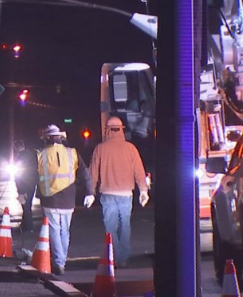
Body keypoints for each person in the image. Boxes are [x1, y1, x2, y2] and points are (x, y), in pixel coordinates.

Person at [23, 124, 94, 275]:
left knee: (54, 230)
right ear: (61, 138)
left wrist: (23, 193)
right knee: (64, 230)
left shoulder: (40, 154)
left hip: (50, 199)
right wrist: (89, 192)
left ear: (46, 139)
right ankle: (61, 260)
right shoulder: (72, 153)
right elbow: (85, 172)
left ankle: (59, 262)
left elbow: (31, 177)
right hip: (68, 199)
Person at [89, 117, 150, 268]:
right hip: (126, 194)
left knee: (110, 227)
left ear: (107, 130)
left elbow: (93, 174)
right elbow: (139, 171)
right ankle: (123, 256)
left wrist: (90, 192)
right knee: (125, 225)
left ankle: (115, 255)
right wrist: (143, 190)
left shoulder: (100, 149)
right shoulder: (130, 148)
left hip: (108, 193)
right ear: (122, 129)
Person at [13, 139, 34, 233]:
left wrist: (21, 190)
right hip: (31, 186)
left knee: (26, 206)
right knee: (27, 205)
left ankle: (28, 227)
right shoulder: (30, 156)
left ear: (17, 148)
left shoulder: (20, 158)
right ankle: (25, 225)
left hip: (24, 186)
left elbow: (20, 175)